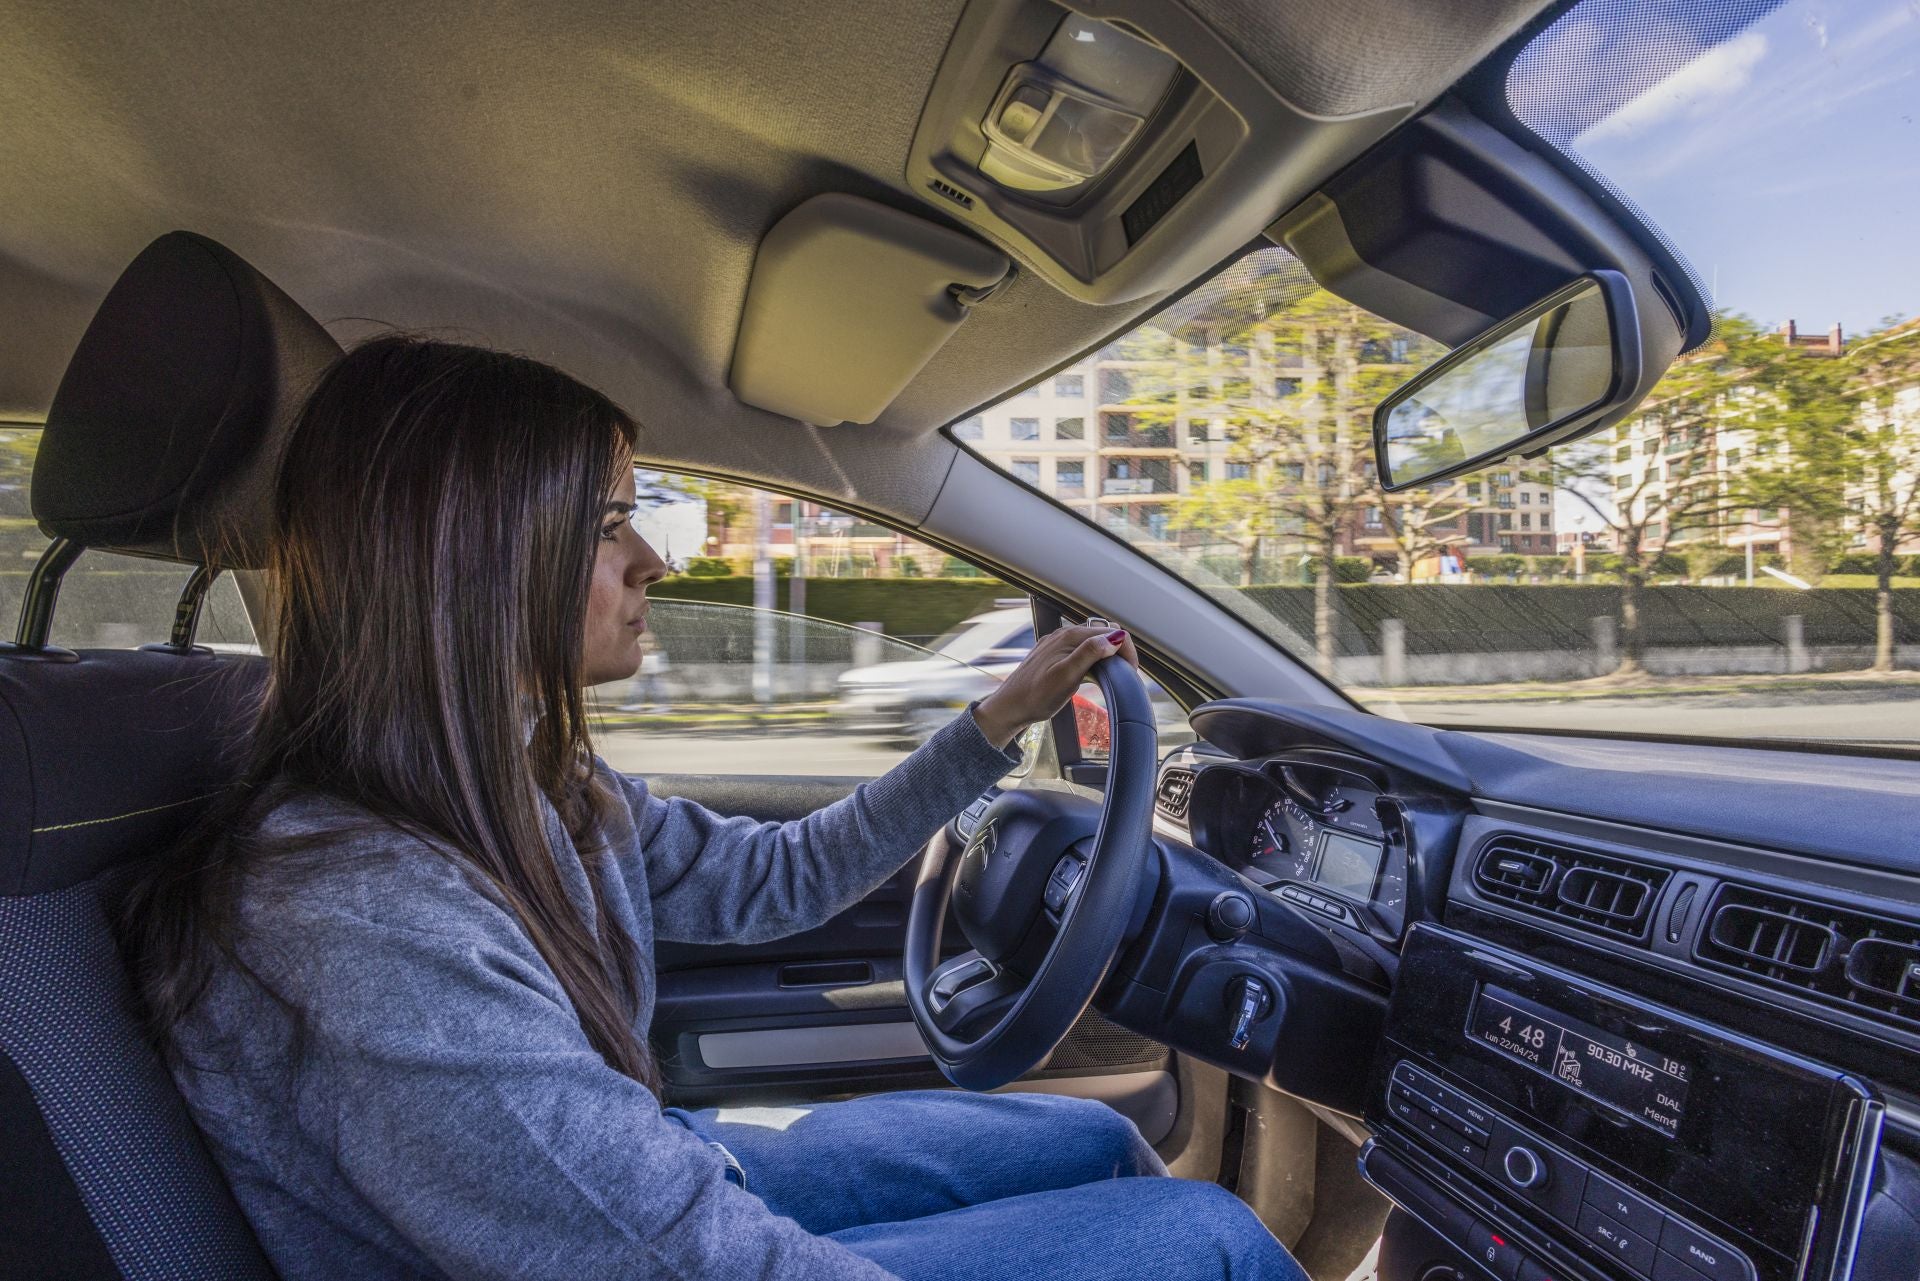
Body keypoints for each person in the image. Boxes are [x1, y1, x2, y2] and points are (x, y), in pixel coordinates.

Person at [117, 336, 1302, 1281]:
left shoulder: (512, 782)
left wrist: (993, 727)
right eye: (604, 523)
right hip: (647, 1244)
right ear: (471, 557)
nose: (655, 563)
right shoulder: (359, 916)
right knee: (1210, 1245)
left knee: (1095, 1141)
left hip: (650, 1184)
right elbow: (683, 1263)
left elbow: (773, 881)